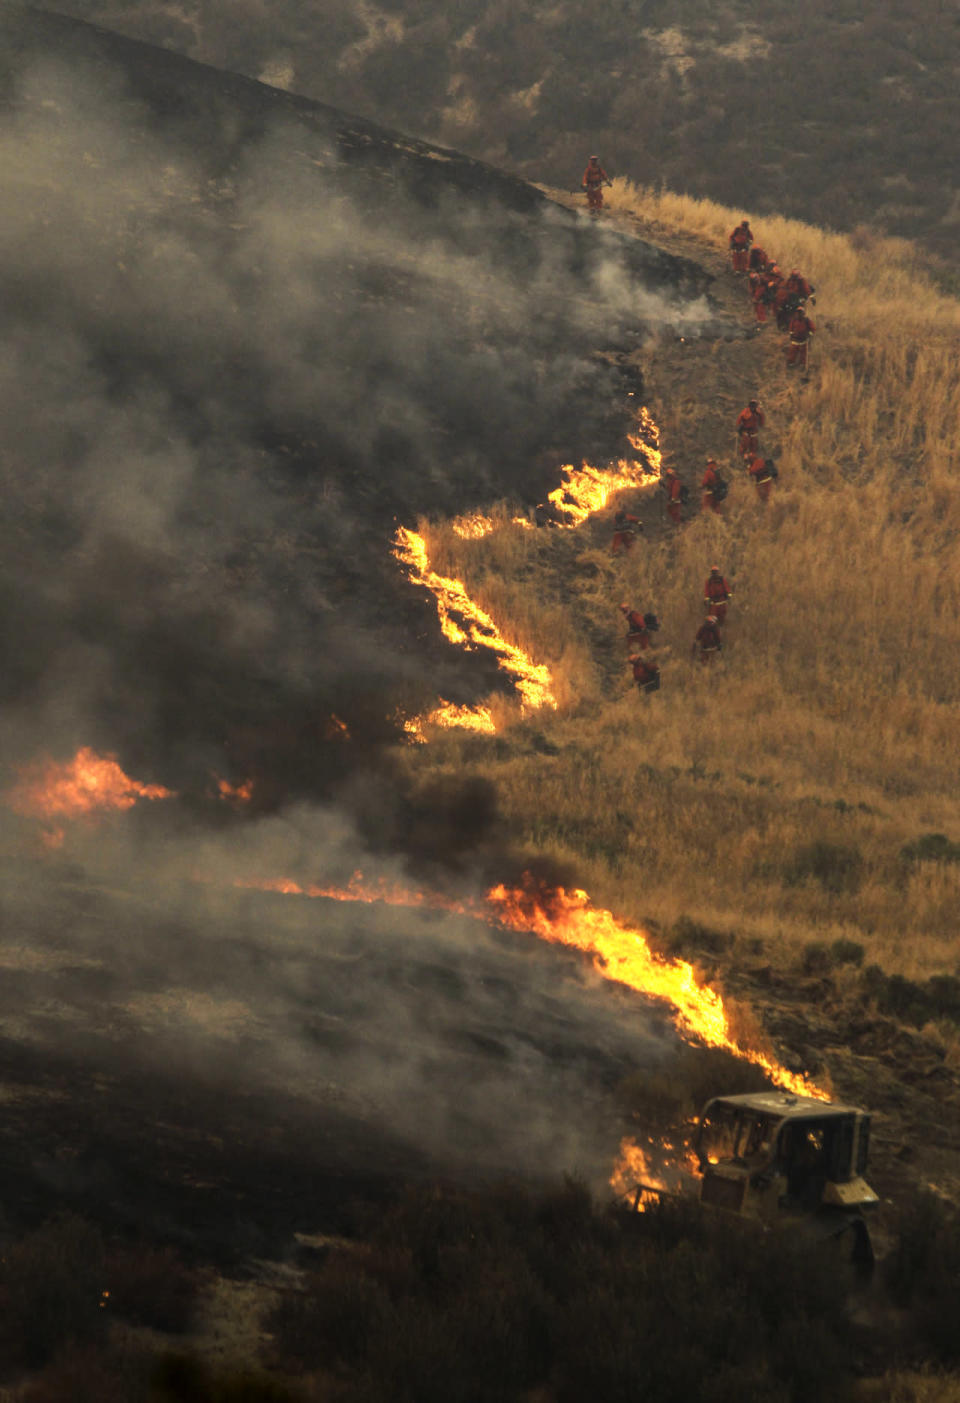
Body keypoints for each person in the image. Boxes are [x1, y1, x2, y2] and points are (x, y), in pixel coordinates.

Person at [787, 304, 816, 370]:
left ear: (803, 313)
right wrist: (791, 335)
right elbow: (791, 328)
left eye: (800, 312)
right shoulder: (793, 320)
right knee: (792, 353)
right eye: (798, 313)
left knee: (803, 354)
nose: (799, 314)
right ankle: (791, 364)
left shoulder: (807, 320)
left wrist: (809, 334)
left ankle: (803, 365)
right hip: (795, 340)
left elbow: (813, 328)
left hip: (803, 340)